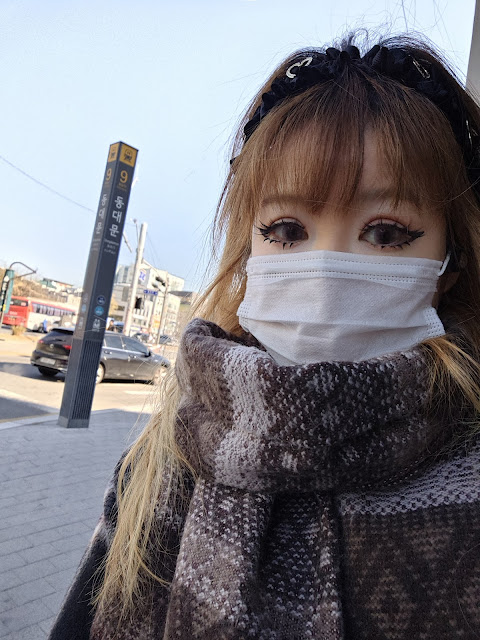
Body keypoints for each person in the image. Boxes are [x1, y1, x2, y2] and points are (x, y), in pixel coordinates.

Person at [49, 33, 480, 640]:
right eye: (285, 229)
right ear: (247, 250)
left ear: (450, 263)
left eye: (385, 233)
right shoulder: (158, 463)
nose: (324, 271)